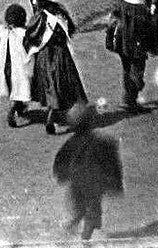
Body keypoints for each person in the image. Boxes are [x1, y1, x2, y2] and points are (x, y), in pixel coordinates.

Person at [52, 104, 123, 242]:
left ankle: (73, 230)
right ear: (90, 122)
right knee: (92, 211)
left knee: (79, 209)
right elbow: (113, 163)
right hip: (95, 182)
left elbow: (60, 161)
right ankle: (84, 237)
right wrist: (116, 183)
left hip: (77, 181)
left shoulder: (71, 143)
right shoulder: (103, 142)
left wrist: (61, 175)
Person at [24, 0, 87, 135]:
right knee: (64, 83)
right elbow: (70, 31)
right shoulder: (60, 15)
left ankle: (52, 116)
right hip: (61, 55)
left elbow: (30, 37)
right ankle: (64, 114)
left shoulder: (39, 18)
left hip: (45, 56)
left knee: (51, 84)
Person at [107, 0, 155, 112]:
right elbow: (148, 30)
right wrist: (152, 46)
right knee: (137, 71)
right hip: (137, 47)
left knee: (126, 68)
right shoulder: (142, 10)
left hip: (122, 45)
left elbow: (112, 23)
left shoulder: (119, 5)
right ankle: (131, 100)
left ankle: (127, 96)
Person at [0, 3, 34, 128]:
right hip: (19, 71)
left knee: (14, 90)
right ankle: (14, 109)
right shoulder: (24, 34)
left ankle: (18, 107)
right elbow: (31, 49)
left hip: (6, 71)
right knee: (20, 89)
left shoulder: (4, 33)